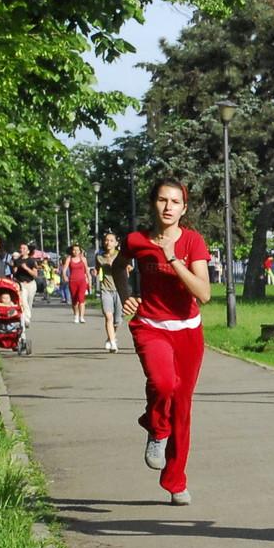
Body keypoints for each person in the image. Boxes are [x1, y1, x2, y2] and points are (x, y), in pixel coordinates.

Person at [111, 179, 212, 506]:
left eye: (175, 202)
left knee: (182, 408)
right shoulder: (137, 240)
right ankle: (156, 427)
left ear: (184, 208)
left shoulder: (193, 242)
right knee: (162, 382)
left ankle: (175, 479)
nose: (168, 207)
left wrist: (173, 260)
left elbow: (204, 294)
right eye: (162, 200)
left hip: (188, 331)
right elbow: (118, 265)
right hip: (151, 325)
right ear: (153, 203)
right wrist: (126, 295)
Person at [95, 231, 123, 353]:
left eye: (111, 240)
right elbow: (96, 270)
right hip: (106, 289)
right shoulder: (99, 257)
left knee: (117, 320)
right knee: (108, 316)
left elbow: (128, 268)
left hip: (119, 290)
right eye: (106, 240)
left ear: (116, 243)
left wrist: (118, 266)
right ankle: (112, 343)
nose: (108, 243)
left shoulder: (120, 255)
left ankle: (111, 336)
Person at [11, 245, 39, 326]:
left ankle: (27, 317)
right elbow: (14, 273)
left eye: (24, 248)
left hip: (30, 284)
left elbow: (35, 274)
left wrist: (26, 268)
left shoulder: (32, 261)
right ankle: (26, 319)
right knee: (23, 301)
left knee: (29, 303)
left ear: (28, 251)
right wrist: (15, 269)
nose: (21, 250)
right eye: (21, 248)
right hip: (21, 284)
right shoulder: (17, 261)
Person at [65, 244, 91, 324]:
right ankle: (76, 315)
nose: (75, 251)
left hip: (82, 281)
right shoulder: (69, 259)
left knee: (81, 299)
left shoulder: (83, 259)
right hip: (72, 281)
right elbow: (64, 269)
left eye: (77, 250)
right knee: (74, 300)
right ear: (72, 251)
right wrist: (64, 276)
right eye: (74, 250)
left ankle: (81, 317)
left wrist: (89, 282)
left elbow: (87, 271)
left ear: (80, 251)